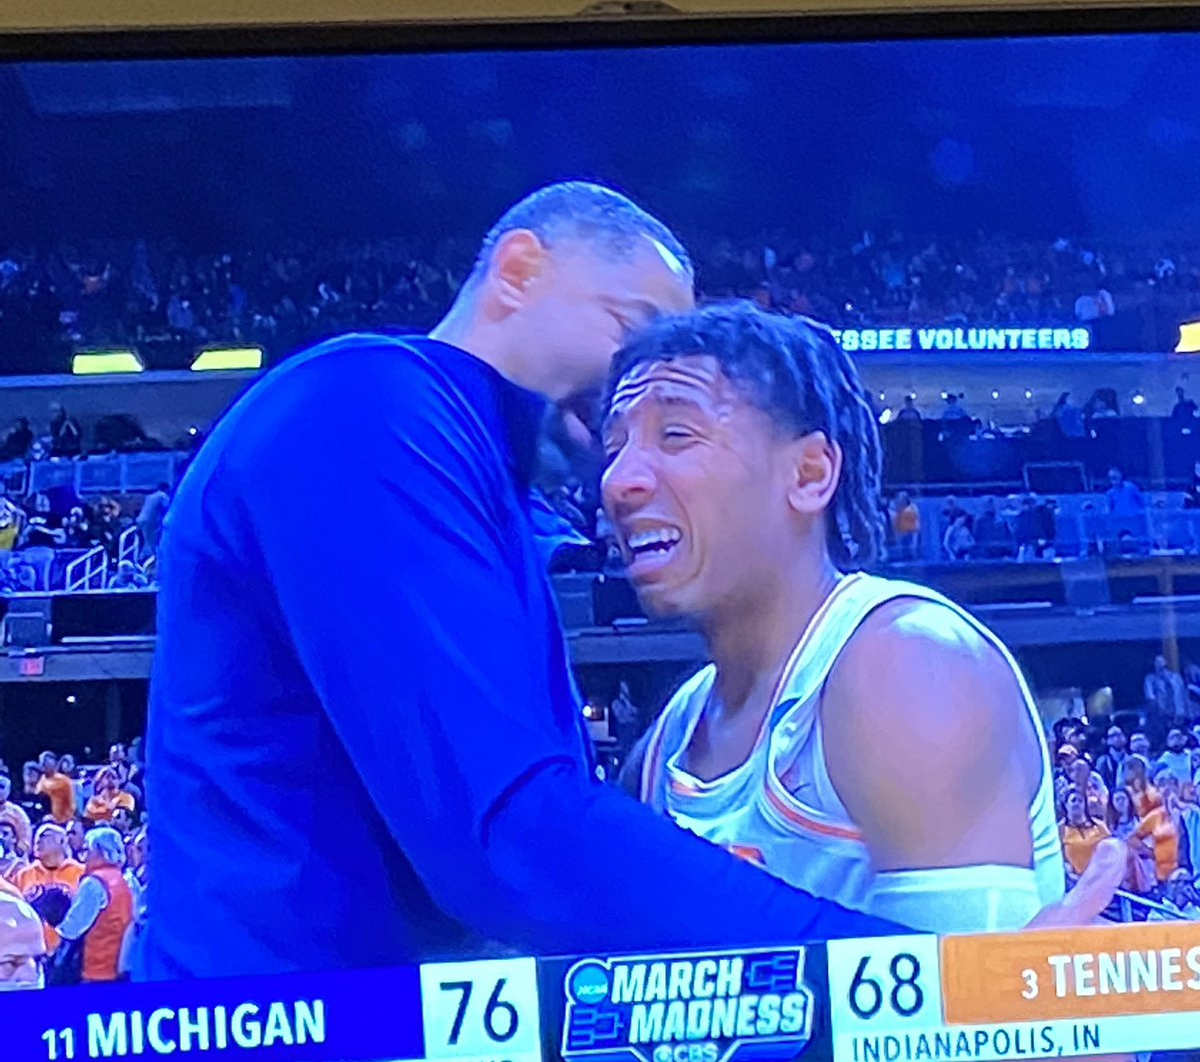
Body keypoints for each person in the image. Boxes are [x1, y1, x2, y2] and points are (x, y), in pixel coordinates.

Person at [140, 182, 908, 983]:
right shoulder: (369, 404)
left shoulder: (478, 475)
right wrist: (891, 966)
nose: (632, 380)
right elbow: (508, 833)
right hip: (284, 1022)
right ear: (517, 270)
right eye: (632, 330)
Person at [607, 303, 1064, 932]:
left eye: (676, 436)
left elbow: (969, 1017)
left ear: (810, 473)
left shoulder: (908, 663)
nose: (619, 479)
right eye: (615, 446)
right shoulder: (667, 743)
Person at [54, 827, 135, 984]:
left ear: (99, 851)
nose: (85, 856)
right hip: (123, 967)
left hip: (96, 971)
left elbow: (72, 929)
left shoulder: (94, 883)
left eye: (87, 849)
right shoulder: (128, 879)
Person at [1107, 786, 1155, 893]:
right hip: (1123, 871)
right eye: (1117, 799)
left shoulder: (1141, 823)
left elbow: (1149, 848)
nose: (1121, 802)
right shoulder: (1109, 828)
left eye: (1123, 799)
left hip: (1145, 867)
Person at [1060, 788, 1111, 878]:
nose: (1077, 803)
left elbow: (1111, 849)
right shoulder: (1060, 829)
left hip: (1101, 877)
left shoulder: (1099, 825)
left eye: (1080, 801)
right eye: (1073, 800)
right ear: (1066, 805)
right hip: (1074, 879)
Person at [35, 752, 75, 826]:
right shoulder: (42, 781)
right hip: (47, 820)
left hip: (64, 820)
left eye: (48, 762)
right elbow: (39, 799)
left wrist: (67, 818)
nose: (46, 765)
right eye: (44, 763)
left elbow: (71, 802)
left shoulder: (64, 781)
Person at [1145, 654, 1187, 725]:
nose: (1160, 666)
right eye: (1157, 663)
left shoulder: (1175, 678)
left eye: (1162, 664)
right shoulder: (1150, 679)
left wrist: (1180, 711)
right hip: (1160, 714)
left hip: (1176, 712)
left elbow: (1180, 695)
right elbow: (1150, 697)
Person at [135, 483, 171, 563]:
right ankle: (148, 560)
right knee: (152, 541)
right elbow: (169, 507)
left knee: (144, 540)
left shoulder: (150, 496)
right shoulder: (162, 496)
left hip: (140, 520)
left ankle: (141, 557)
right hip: (151, 522)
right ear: (166, 489)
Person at [0, 772, 32, 857]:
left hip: (11, 861)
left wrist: (19, 852)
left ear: (8, 789)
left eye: (1, 787)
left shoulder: (17, 813)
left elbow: (26, 840)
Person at [1095, 725, 1128, 792]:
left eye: (1119, 735)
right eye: (1113, 736)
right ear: (1107, 740)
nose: (1117, 738)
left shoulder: (1132, 760)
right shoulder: (1102, 762)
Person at [890, 491, 920, 561]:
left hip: (911, 532)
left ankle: (912, 560)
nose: (900, 500)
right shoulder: (899, 508)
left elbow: (913, 517)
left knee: (911, 548)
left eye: (902, 498)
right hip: (902, 532)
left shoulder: (912, 507)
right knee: (903, 549)